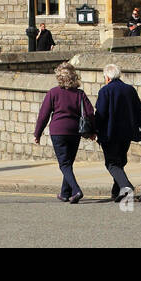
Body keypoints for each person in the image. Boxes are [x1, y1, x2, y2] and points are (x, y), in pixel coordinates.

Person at [33, 63, 95, 204]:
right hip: (75, 132)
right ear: (74, 77)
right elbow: (90, 113)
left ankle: (76, 190)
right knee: (68, 163)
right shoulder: (80, 94)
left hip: (58, 131)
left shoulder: (53, 93)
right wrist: (93, 131)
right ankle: (64, 193)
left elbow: (44, 115)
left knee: (64, 164)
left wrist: (37, 133)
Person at [94, 63, 141, 203]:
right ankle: (116, 191)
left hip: (110, 133)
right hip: (127, 133)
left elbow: (100, 114)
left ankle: (126, 186)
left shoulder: (105, 91)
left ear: (107, 77)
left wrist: (95, 131)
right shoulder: (130, 90)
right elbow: (139, 111)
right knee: (120, 161)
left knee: (112, 164)